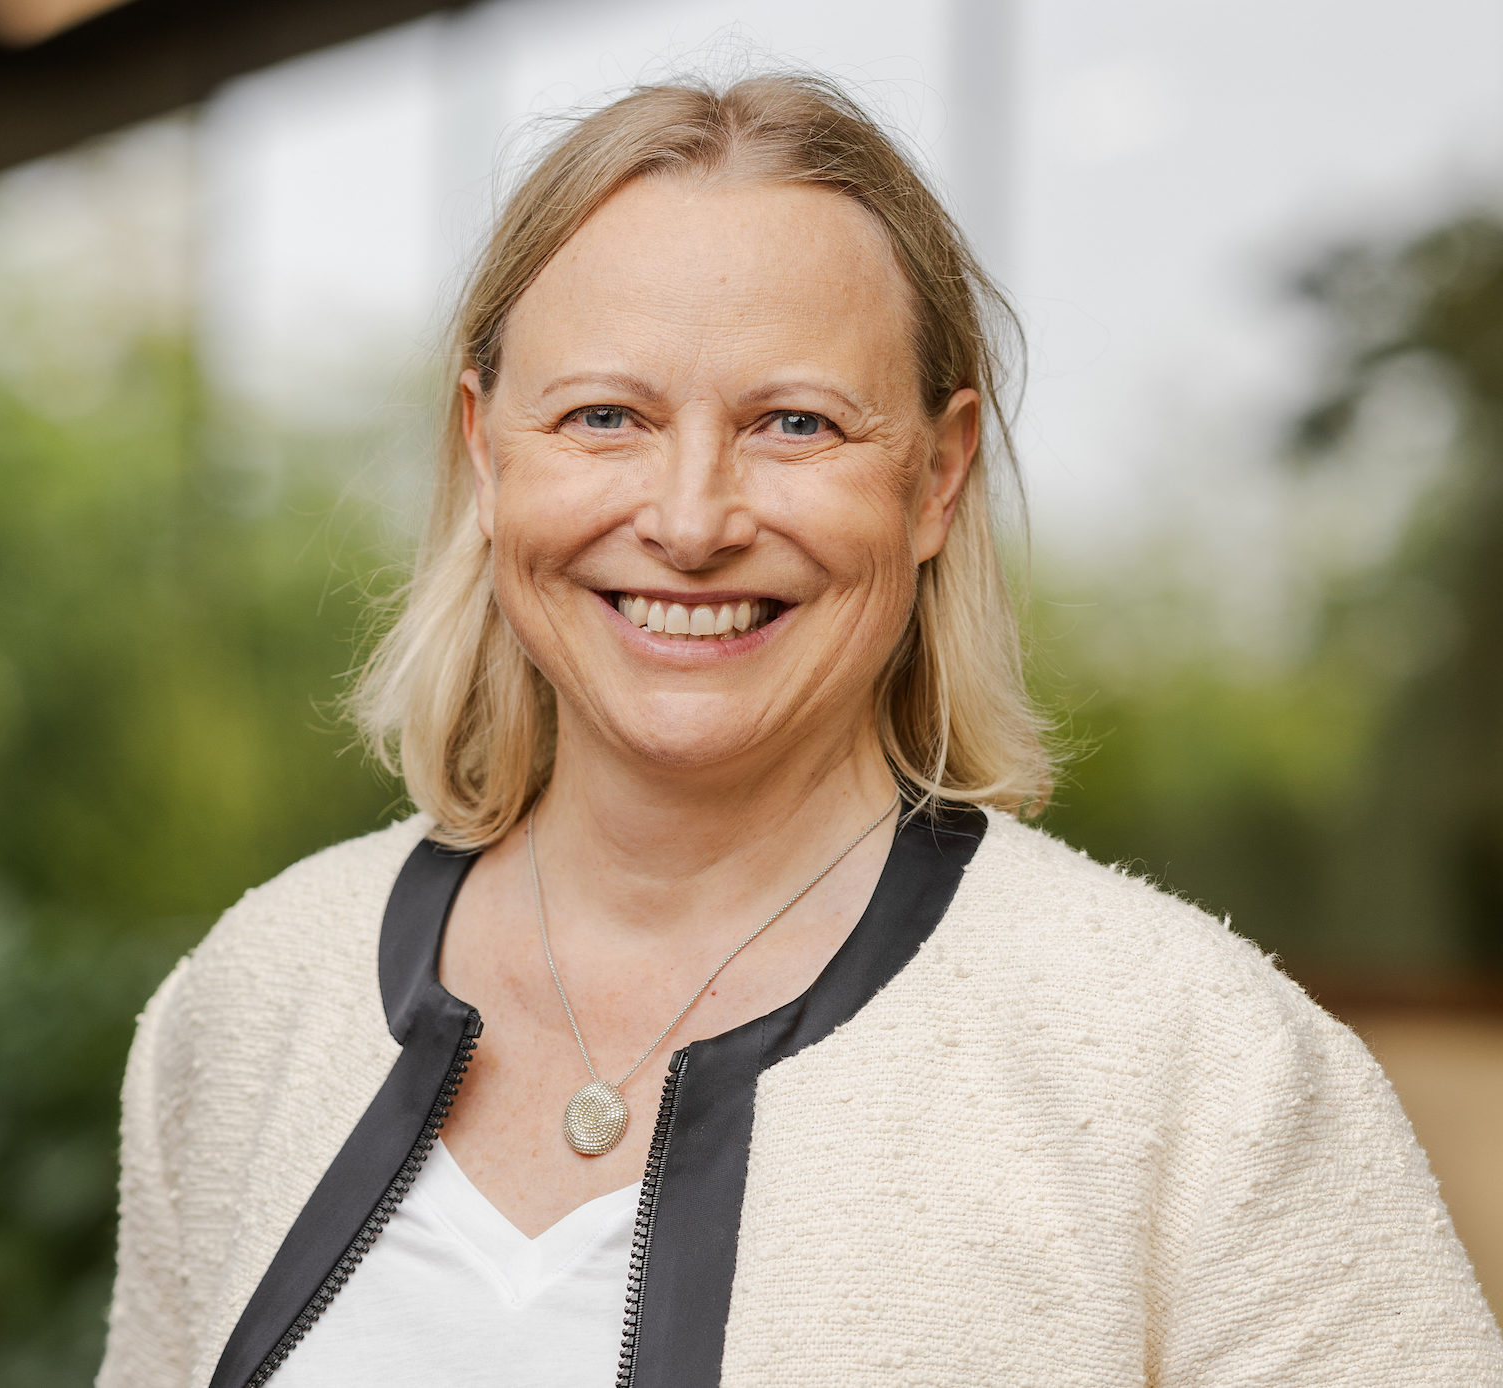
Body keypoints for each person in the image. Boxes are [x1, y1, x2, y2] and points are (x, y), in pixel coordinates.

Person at [97, 72, 1503, 1388]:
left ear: (937, 476)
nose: (692, 519)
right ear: (484, 452)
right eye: (604, 416)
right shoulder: (257, 998)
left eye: (795, 425)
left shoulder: (1190, 1066)